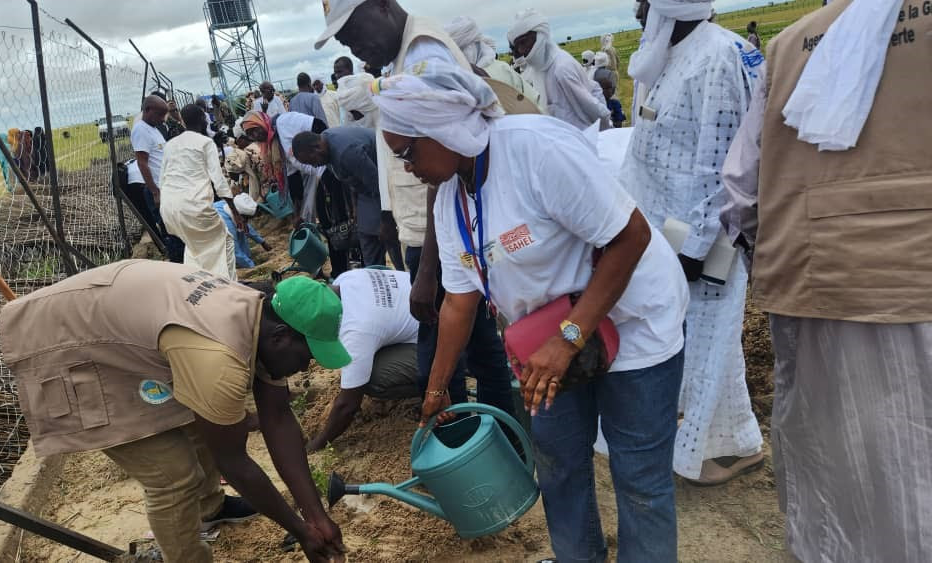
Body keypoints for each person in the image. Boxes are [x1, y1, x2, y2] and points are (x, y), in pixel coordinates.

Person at [371, 65, 688, 563]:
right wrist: (435, 391)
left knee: (639, 478)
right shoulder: (452, 200)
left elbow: (632, 237)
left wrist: (567, 339)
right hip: (551, 343)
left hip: (631, 320)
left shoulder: (534, 150)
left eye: (408, 153)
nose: (406, 168)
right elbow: (458, 302)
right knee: (559, 463)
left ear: (443, 127)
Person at [720, 1, 930, 560]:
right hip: (914, 284)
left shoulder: (791, 45)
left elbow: (740, 194)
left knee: (840, 476)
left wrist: (771, 258)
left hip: (815, 284)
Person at [0, 262, 349, 563]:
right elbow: (235, 462)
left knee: (206, 418)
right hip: (66, 343)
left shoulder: (261, 309)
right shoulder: (219, 358)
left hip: (115, 318)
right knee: (173, 475)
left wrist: (315, 515)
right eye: (308, 357)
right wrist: (301, 530)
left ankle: (210, 508)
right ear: (281, 338)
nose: (305, 367)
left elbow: (277, 417)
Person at [316, 0, 517, 418]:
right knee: (475, 347)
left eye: (354, 34)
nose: (355, 49)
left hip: (439, 240)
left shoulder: (424, 54)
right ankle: (494, 434)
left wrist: (426, 271)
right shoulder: (401, 57)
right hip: (432, 235)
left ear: (383, 6)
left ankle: (470, 439)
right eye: (346, 42)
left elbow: (444, 156)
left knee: (449, 354)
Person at [619, 0, 766, 485]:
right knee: (710, 340)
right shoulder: (673, 53)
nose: (638, 11)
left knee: (708, 337)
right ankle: (738, 442)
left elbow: (725, 163)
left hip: (707, 233)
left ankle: (711, 447)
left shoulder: (718, 55)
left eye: (644, 1)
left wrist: (697, 247)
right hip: (667, 230)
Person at [306, 268, 420, 452]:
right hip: (431, 310)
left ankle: (434, 387)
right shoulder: (345, 279)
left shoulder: (356, 329)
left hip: (443, 342)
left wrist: (317, 444)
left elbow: (348, 405)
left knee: (372, 379)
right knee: (366, 357)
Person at [293, 128, 405, 270]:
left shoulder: (346, 153)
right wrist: (355, 208)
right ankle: (376, 277)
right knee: (366, 237)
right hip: (367, 192)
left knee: (390, 239)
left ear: (317, 147)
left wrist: (387, 221)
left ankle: (406, 277)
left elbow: (380, 185)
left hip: (387, 187)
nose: (314, 166)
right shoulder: (325, 144)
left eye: (312, 161)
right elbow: (351, 180)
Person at [160, 104, 243, 280]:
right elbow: (219, 181)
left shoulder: (170, 145)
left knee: (194, 248)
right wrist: (235, 212)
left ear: (182, 121)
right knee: (223, 242)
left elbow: (163, 180)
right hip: (193, 206)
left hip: (169, 210)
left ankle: (196, 287)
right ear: (203, 120)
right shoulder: (205, 143)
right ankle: (225, 290)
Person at [507, 9, 611, 130]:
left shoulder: (561, 68)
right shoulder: (539, 69)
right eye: (517, 45)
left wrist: (605, 135)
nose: (521, 50)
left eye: (523, 42)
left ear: (540, 35)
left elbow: (593, 107)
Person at [128, 95, 185, 263]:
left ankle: (185, 261)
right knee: (170, 230)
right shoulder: (140, 130)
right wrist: (155, 192)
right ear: (147, 111)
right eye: (160, 115)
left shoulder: (153, 128)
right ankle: (179, 263)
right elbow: (142, 162)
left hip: (167, 186)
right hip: (158, 190)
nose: (162, 119)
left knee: (177, 226)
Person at [444, 16, 544, 111]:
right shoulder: (453, 80)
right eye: (459, 50)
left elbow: (534, 102)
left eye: (464, 48)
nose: (464, 54)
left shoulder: (503, 69)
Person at [214, 193, 272, 269]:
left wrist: (262, 242)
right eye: (246, 218)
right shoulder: (227, 225)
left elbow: (246, 227)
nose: (247, 221)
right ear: (240, 215)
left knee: (241, 230)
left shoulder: (233, 206)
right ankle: (245, 263)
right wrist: (253, 267)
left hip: (229, 219)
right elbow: (235, 250)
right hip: (211, 229)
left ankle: (247, 258)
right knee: (229, 247)